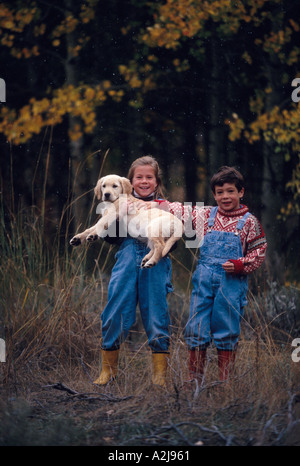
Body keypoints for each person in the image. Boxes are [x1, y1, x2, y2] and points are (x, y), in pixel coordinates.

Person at [153, 166, 267, 382]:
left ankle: (225, 384)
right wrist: (154, 203)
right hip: (203, 282)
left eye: (231, 191)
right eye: (220, 192)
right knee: (196, 326)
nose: (225, 196)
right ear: (214, 195)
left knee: (227, 327)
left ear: (241, 192)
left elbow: (259, 251)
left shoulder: (249, 222)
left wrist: (241, 264)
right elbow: (179, 210)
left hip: (231, 284)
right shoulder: (206, 215)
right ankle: (194, 382)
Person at [93, 156, 173, 388]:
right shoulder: (116, 202)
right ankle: (108, 371)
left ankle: (160, 376)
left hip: (155, 262)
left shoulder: (166, 206)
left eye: (149, 177)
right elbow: (108, 237)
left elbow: (175, 240)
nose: (144, 181)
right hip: (127, 262)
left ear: (156, 182)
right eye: (139, 177)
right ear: (129, 182)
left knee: (157, 314)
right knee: (115, 309)